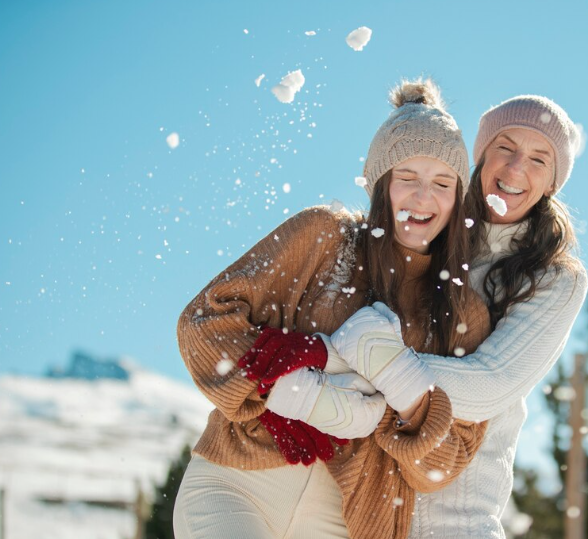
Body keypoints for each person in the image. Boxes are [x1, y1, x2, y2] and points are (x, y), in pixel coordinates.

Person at [172, 79, 491, 539]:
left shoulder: (465, 314)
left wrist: (390, 398)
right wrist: (282, 384)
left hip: (350, 520)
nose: (424, 198)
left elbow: (443, 464)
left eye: (443, 183)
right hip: (235, 482)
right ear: (380, 183)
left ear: (458, 198)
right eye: (407, 178)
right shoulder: (323, 236)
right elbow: (203, 322)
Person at [334, 94, 588, 538]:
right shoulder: (430, 227)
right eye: (505, 148)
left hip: (455, 517)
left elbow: (490, 385)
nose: (514, 169)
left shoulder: (554, 279)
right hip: (359, 502)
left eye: (537, 159)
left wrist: (359, 364)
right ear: (481, 155)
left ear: (552, 181)